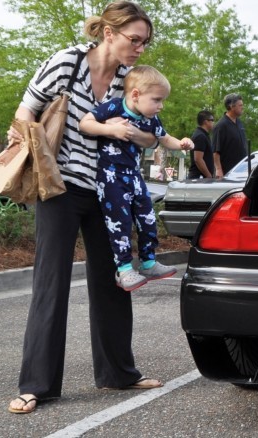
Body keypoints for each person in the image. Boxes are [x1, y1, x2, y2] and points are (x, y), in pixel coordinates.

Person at [7, 1, 163, 415]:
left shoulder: (132, 81)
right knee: (51, 284)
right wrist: (26, 146)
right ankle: (36, 385)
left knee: (115, 279)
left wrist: (130, 132)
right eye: (135, 40)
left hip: (107, 192)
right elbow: (26, 110)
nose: (140, 49)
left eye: (145, 42)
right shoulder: (66, 64)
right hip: (59, 187)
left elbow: (150, 133)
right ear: (108, 34)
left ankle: (118, 372)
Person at [79, 65, 194, 291]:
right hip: (111, 177)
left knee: (147, 216)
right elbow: (85, 123)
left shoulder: (150, 119)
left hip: (134, 175)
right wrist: (111, 130)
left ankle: (148, 262)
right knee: (119, 222)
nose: (160, 106)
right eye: (157, 100)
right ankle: (123, 269)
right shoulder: (113, 108)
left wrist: (181, 144)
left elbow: (165, 139)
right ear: (135, 95)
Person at [212, 93, 248, 178]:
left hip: (241, 171)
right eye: (240, 105)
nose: (242, 107)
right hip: (227, 172)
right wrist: (218, 169)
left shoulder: (239, 123)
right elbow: (215, 152)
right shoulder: (221, 126)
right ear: (232, 106)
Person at [188, 110, 216, 178]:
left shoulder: (203, 135)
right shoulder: (200, 136)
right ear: (205, 121)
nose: (213, 122)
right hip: (198, 178)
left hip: (201, 178)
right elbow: (198, 159)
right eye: (212, 120)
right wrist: (208, 175)